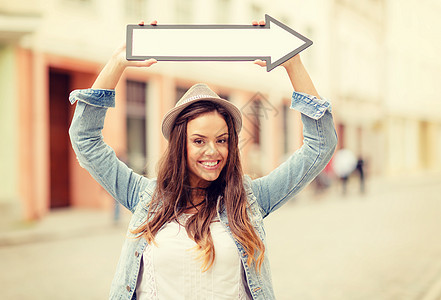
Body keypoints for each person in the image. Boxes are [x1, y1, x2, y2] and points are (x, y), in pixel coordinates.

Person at [68, 20, 337, 300]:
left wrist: (294, 65)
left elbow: (320, 146)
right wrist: (116, 64)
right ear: (179, 146)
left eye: (222, 140)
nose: (213, 151)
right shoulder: (144, 198)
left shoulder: (249, 199)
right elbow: (86, 140)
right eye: (199, 141)